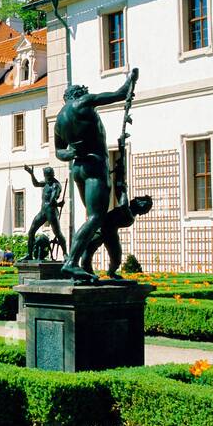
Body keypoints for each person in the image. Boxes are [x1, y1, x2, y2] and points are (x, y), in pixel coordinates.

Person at [54, 68, 139, 281]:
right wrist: (131, 80)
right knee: (96, 217)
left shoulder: (59, 120)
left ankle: (87, 263)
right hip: (95, 165)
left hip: (78, 168)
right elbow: (120, 94)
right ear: (78, 94)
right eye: (83, 92)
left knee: (95, 219)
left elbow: (59, 152)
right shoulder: (83, 102)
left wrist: (71, 153)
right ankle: (71, 262)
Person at [24, 165, 65, 261]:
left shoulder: (56, 185)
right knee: (31, 232)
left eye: (49, 176)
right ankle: (29, 254)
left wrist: (56, 203)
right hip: (43, 212)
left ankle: (65, 254)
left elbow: (52, 200)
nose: (47, 178)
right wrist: (31, 174)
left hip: (51, 212)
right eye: (46, 176)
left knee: (58, 233)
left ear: (52, 175)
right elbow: (36, 184)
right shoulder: (46, 182)